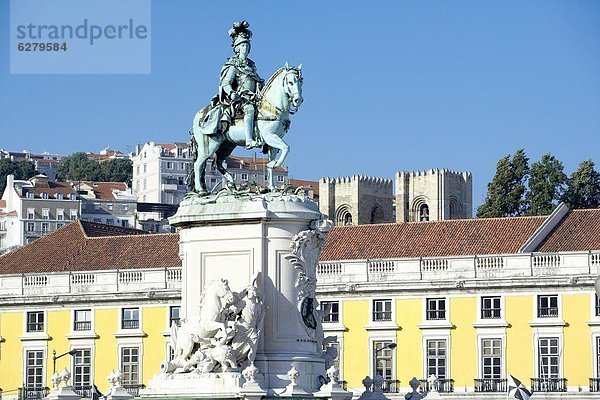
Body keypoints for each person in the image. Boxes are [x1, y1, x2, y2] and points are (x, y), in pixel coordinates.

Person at [219, 20, 264, 149]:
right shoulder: (233, 64)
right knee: (249, 109)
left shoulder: (251, 65)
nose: (246, 49)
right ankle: (249, 140)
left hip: (254, 97)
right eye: (243, 46)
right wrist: (232, 93)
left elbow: (256, 80)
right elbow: (226, 83)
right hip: (241, 98)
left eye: (247, 46)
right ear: (237, 48)